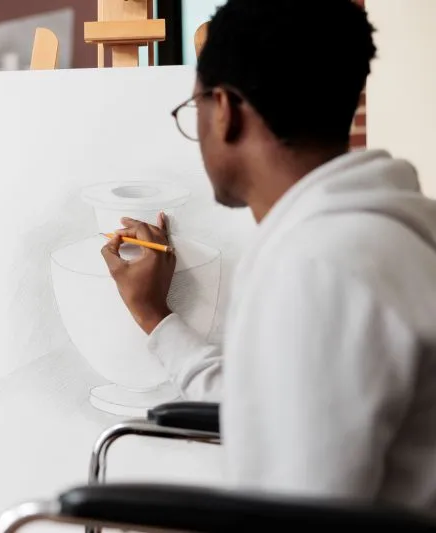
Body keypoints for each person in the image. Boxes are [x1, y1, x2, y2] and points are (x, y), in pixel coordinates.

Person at [102, 0, 436, 510]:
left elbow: (295, 511)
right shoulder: (392, 230)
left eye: (194, 111)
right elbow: (273, 409)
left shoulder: (319, 264)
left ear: (227, 111)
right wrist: (156, 318)